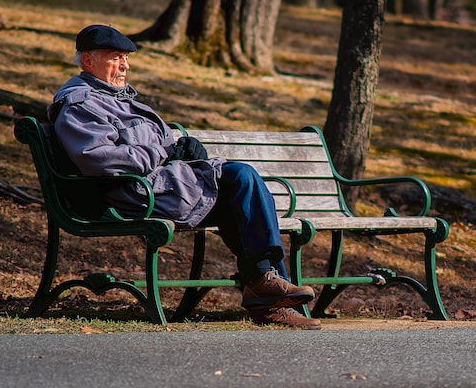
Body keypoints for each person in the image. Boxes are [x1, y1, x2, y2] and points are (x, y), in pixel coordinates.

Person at [48, 24, 321, 330]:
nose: (125, 65)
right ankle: (266, 288)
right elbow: (98, 158)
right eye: (116, 57)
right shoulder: (81, 104)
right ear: (88, 61)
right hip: (133, 195)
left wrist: (185, 149)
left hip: (163, 186)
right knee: (239, 182)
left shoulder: (119, 98)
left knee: (243, 182)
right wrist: (164, 154)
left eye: (126, 58)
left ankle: (267, 288)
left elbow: (158, 143)